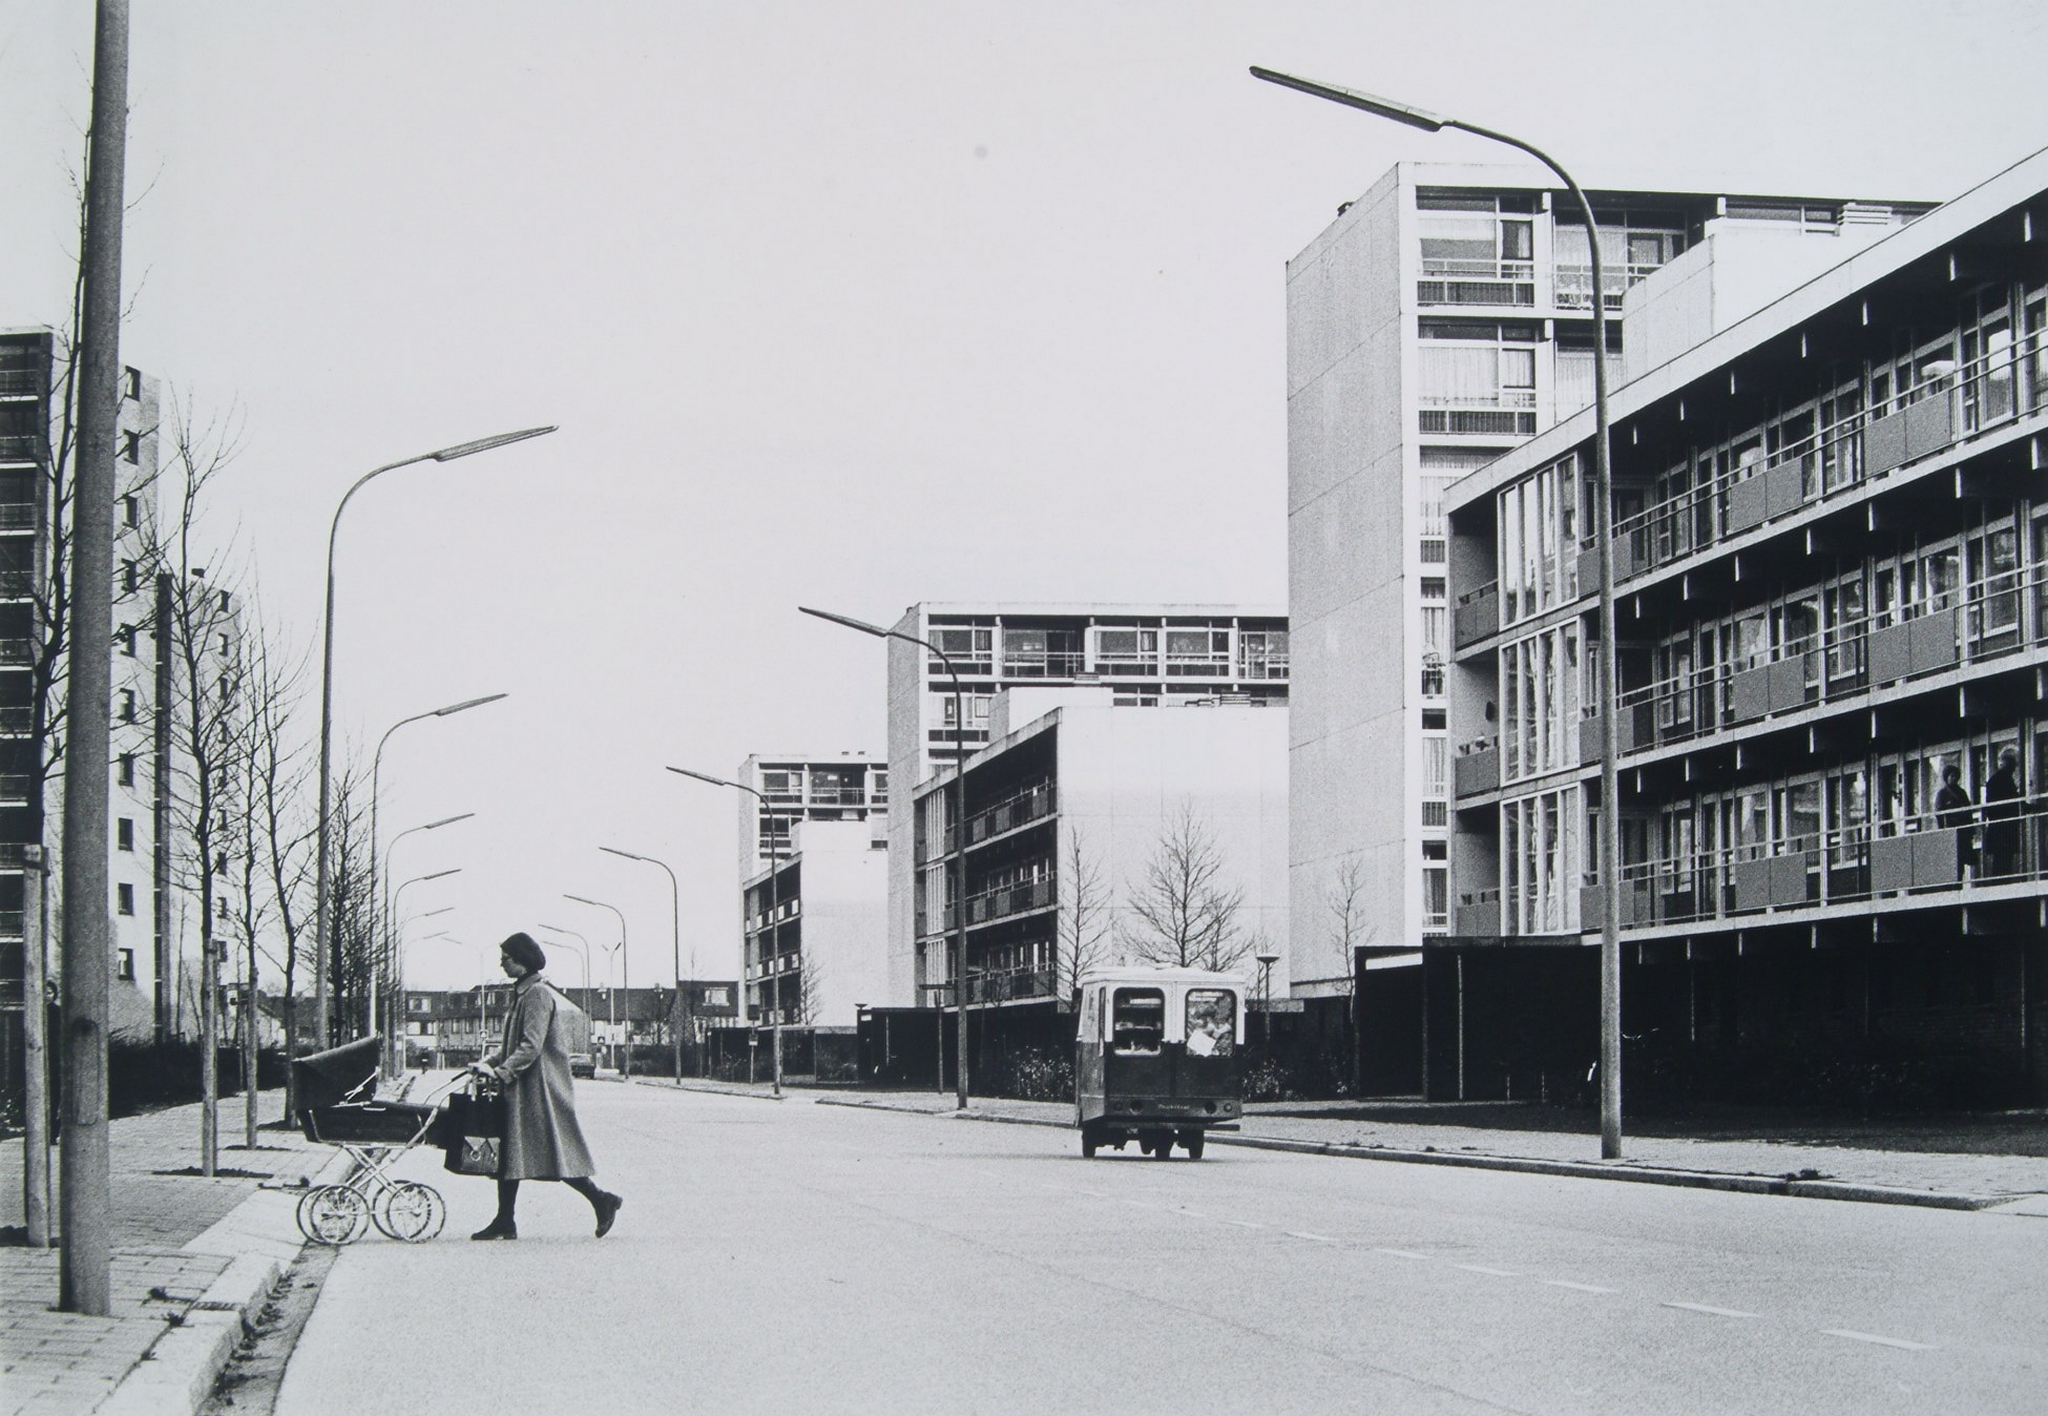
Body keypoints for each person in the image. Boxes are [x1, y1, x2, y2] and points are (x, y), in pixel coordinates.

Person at [466, 932, 621, 1241]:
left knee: (551, 1150)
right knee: (510, 1151)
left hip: (538, 1090)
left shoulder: (537, 994)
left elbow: (531, 1046)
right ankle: (505, 1220)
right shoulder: (523, 993)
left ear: (522, 961)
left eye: (506, 959)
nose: (502, 964)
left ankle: (601, 1199)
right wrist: (488, 1062)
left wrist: (502, 1072)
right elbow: (512, 1045)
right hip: (523, 1087)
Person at [1982, 746, 2023, 878]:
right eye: (2012, 767)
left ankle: (2001, 881)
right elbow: (1994, 806)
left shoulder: (2001, 780)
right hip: (2002, 828)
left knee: (2003, 859)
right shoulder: (2000, 781)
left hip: (2003, 827)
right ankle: (1999, 882)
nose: (2014, 770)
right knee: (2002, 860)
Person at [1933, 763, 1975, 878]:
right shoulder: (1942, 793)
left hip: (1963, 830)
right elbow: (1939, 813)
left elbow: (1968, 811)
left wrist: (1971, 830)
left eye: (1956, 776)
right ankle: (1953, 883)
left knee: (1961, 858)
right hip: (1951, 829)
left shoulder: (1962, 793)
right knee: (1952, 858)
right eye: (1952, 776)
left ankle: (1959, 880)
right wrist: (1942, 830)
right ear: (1946, 777)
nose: (1954, 778)